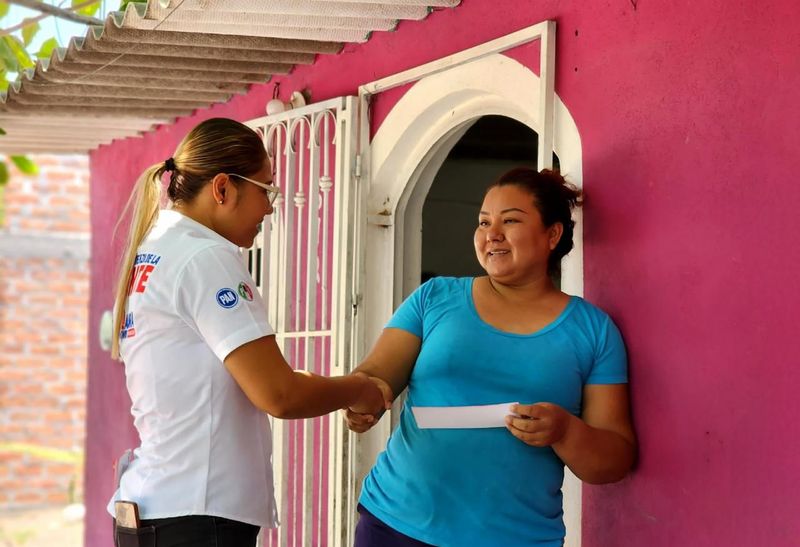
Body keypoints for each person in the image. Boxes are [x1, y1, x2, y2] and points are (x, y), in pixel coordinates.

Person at [107, 118, 391, 547]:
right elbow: (278, 394)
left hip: (157, 507)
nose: (270, 207)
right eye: (266, 189)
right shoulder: (205, 256)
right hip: (196, 516)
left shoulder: (157, 249)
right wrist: (359, 389)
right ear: (223, 188)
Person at [344, 167, 636, 547]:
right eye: (483, 223)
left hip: (516, 537)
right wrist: (361, 398)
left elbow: (614, 459)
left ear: (553, 234)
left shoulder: (594, 330)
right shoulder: (435, 298)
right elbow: (377, 376)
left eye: (510, 220)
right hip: (396, 525)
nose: (491, 234)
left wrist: (565, 431)